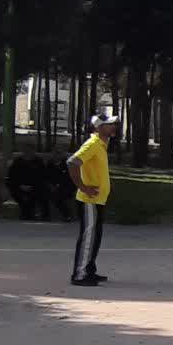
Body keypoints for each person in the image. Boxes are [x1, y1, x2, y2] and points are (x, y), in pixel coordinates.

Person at [68, 115, 119, 286]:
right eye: (109, 124)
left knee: (95, 237)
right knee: (89, 237)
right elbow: (72, 162)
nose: (113, 126)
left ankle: (89, 270)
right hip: (89, 200)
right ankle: (79, 275)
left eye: (114, 124)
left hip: (98, 200)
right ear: (98, 128)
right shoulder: (92, 144)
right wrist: (83, 187)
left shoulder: (102, 145)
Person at [6, 145, 49, 221]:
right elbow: (11, 176)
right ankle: (26, 214)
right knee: (19, 195)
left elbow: (43, 176)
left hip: (35, 187)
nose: (28, 152)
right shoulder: (17, 161)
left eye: (30, 150)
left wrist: (32, 186)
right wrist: (20, 185)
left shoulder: (39, 161)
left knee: (41, 194)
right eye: (26, 150)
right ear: (23, 151)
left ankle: (44, 215)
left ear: (34, 151)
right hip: (19, 186)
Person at [47, 149, 75, 222]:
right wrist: (51, 185)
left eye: (58, 153)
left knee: (57, 196)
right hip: (52, 187)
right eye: (55, 153)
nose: (56, 155)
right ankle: (45, 215)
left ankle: (67, 215)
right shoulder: (49, 164)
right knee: (47, 194)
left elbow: (68, 178)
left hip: (65, 187)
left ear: (62, 155)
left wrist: (58, 186)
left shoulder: (67, 164)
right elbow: (46, 176)